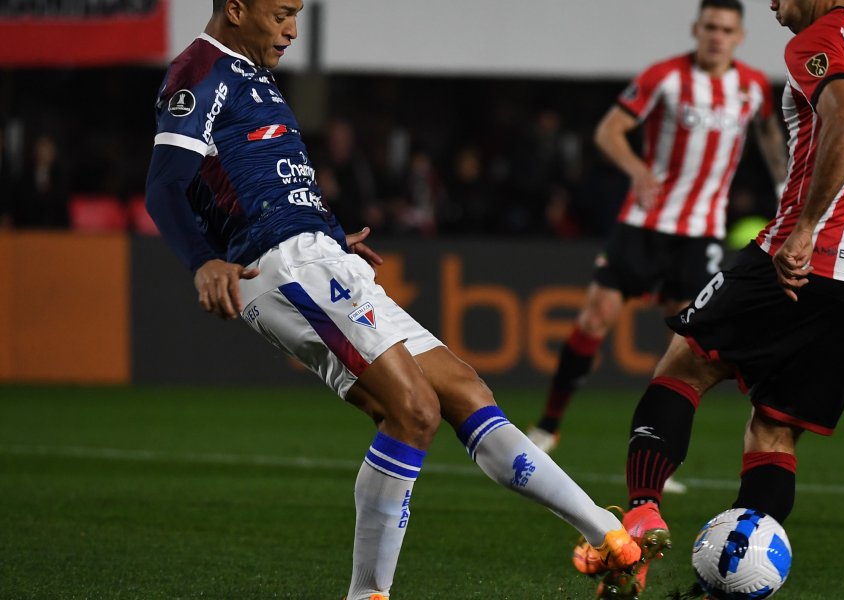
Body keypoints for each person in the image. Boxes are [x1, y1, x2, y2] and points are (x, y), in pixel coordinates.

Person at [143, 2, 641, 598]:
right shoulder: (198, 71)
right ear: (235, 8)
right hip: (281, 264)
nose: (292, 29)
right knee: (413, 412)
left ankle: (609, 536)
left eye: (297, 14)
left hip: (320, 253)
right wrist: (204, 261)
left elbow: (264, 177)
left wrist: (328, 234)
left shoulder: (253, 74)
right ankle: (368, 595)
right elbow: (164, 184)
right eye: (280, 14)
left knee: (465, 391)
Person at [573, 0, 844, 598]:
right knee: (774, 430)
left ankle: (641, 516)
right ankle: (722, 586)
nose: (774, 5)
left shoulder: (820, 41)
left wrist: (803, 229)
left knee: (684, 364)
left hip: (807, 259)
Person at [527, 0, 790, 492]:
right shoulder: (665, 76)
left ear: (739, 36)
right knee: (595, 319)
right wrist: (636, 169)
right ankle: (547, 426)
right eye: (710, 26)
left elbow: (772, 140)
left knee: (684, 349)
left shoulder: (752, 86)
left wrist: (785, 192)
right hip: (644, 223)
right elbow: (609, 131)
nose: (716, 35)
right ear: (697, 29)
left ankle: (654, 452)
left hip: (701, 233)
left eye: (726, 28)